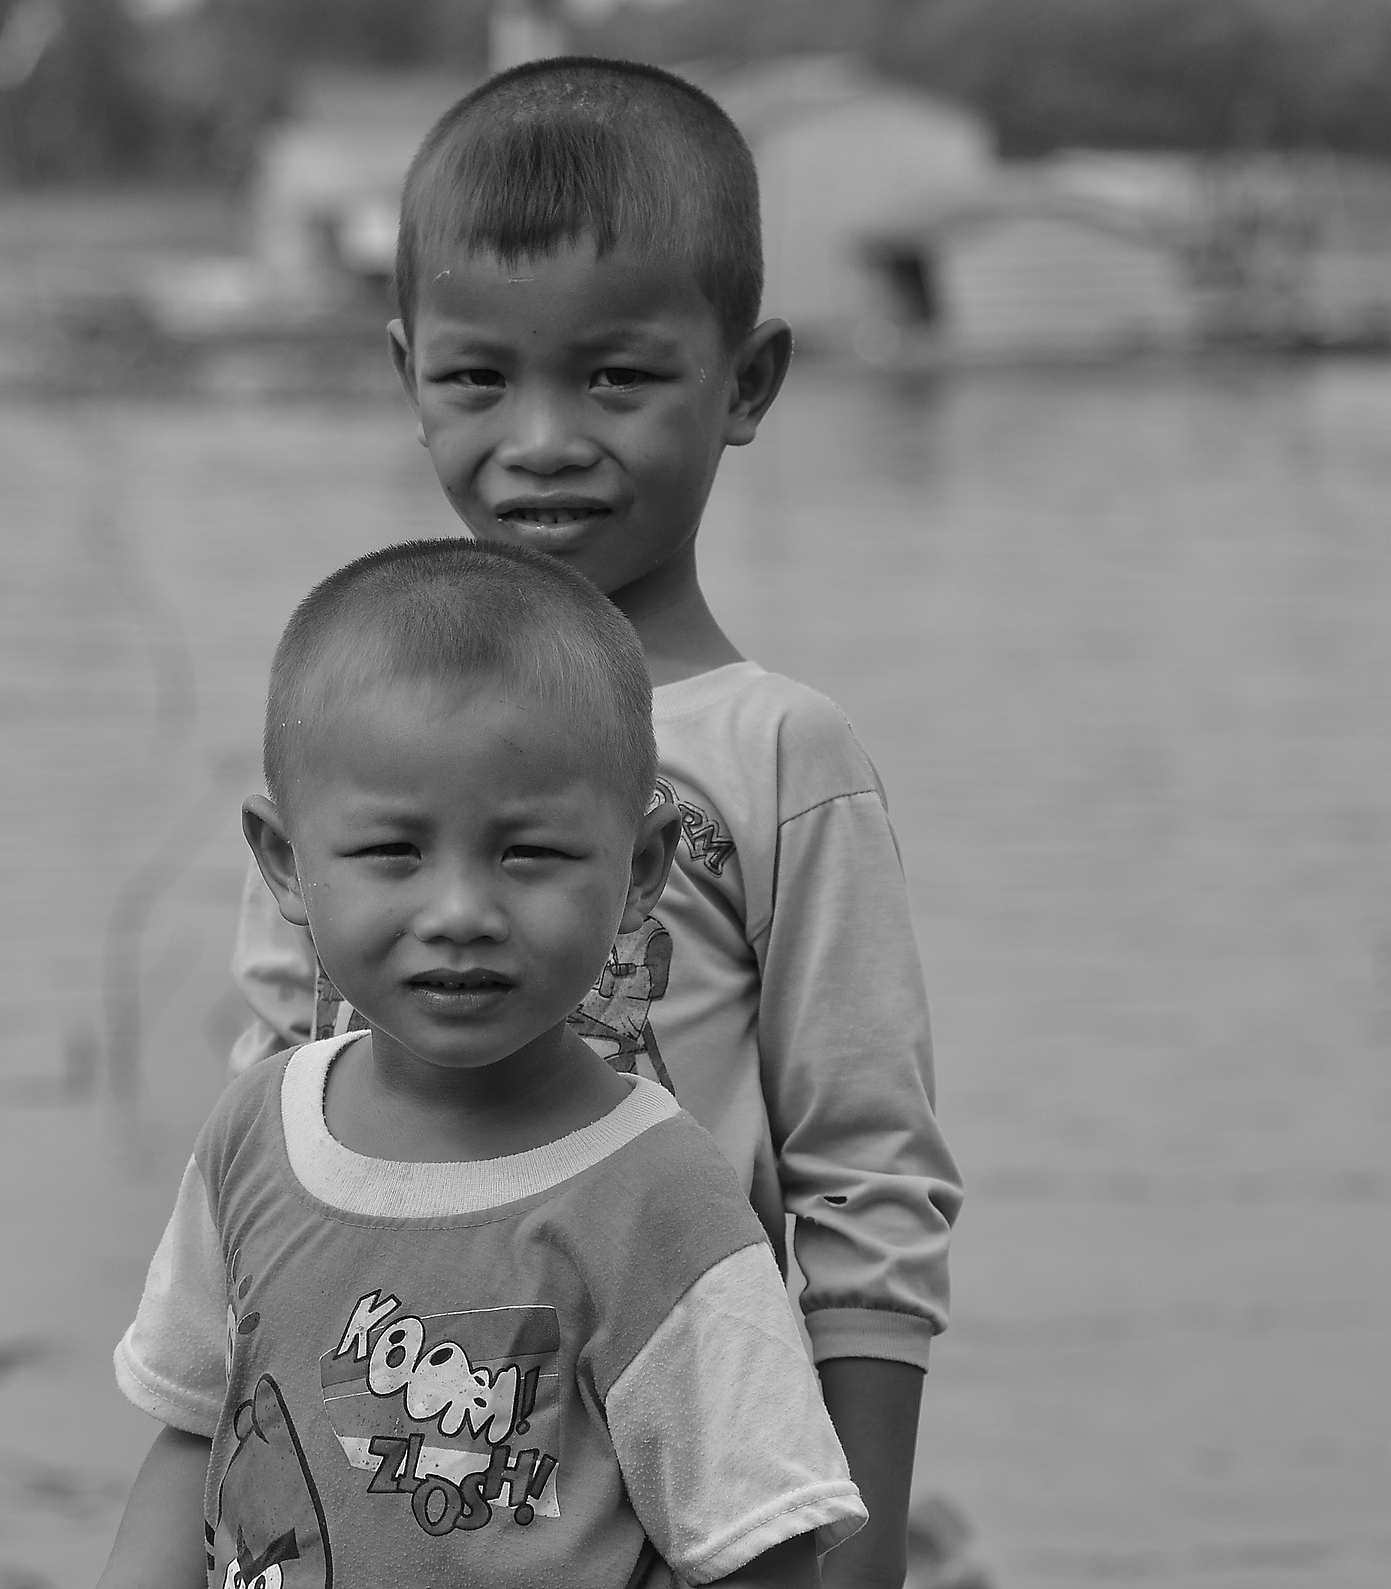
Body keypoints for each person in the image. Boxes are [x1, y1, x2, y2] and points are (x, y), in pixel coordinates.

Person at [227, 58, 962, 1589]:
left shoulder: (778, 754)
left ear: (746, 381)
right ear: (407, 370)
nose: (547, 437)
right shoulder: (347, 737)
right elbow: (272, 1119)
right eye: (481, 378)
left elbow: (863, 1176)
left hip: (676, 1496)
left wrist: (865, 1541)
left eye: (617, 378)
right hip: (384, 1467)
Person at [101, 540, 867, 1589]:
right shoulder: (254, 1134)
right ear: (285, 862)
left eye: (529, 853)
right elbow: (196, 1435)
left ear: (640, 867)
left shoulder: (658, 1197)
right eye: (392, 853)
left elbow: (757, 1545)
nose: (460, 913)